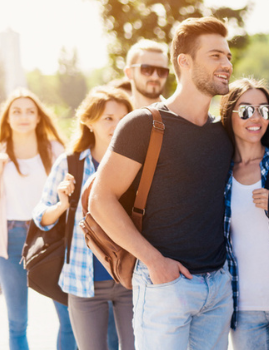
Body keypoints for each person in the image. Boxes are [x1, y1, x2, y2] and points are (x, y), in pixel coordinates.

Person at [88, 17, 236, 349]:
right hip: (164, 286)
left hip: (217, 287)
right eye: (215, 55)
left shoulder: (222, 132)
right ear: (184, 61)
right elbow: (101, 199)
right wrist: (154, 261)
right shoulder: (143, 124)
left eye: (228, 56)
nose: (226, 64)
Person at [32, 87, 135, 350]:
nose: (116, 125)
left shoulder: (137, 163)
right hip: (82, 280)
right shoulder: (69, 164)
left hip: (131, 278)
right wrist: (61, 205)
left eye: (122, 118)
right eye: (108, 118)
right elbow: (40, 215)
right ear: (89, 122)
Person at [0, 89, 76, 350]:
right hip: (10, 238)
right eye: (16, 111)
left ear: (39, 118)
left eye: (30, 111)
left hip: (50, 235)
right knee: (17, 322)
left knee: (69, 317)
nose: (24, 117)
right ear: (7, 118)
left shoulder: (55, 149)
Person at [220, 78, 269, 350]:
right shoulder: (219, 171)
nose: (257, 118)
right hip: (243, 307)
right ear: (230, 115)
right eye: (247, 110)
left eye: (264, 110)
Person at [123, 39, 170, 109]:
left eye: (162, 71)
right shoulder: (117, 116)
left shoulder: (179, 116)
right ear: (129, 73)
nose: (155, 77)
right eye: (146, 70)